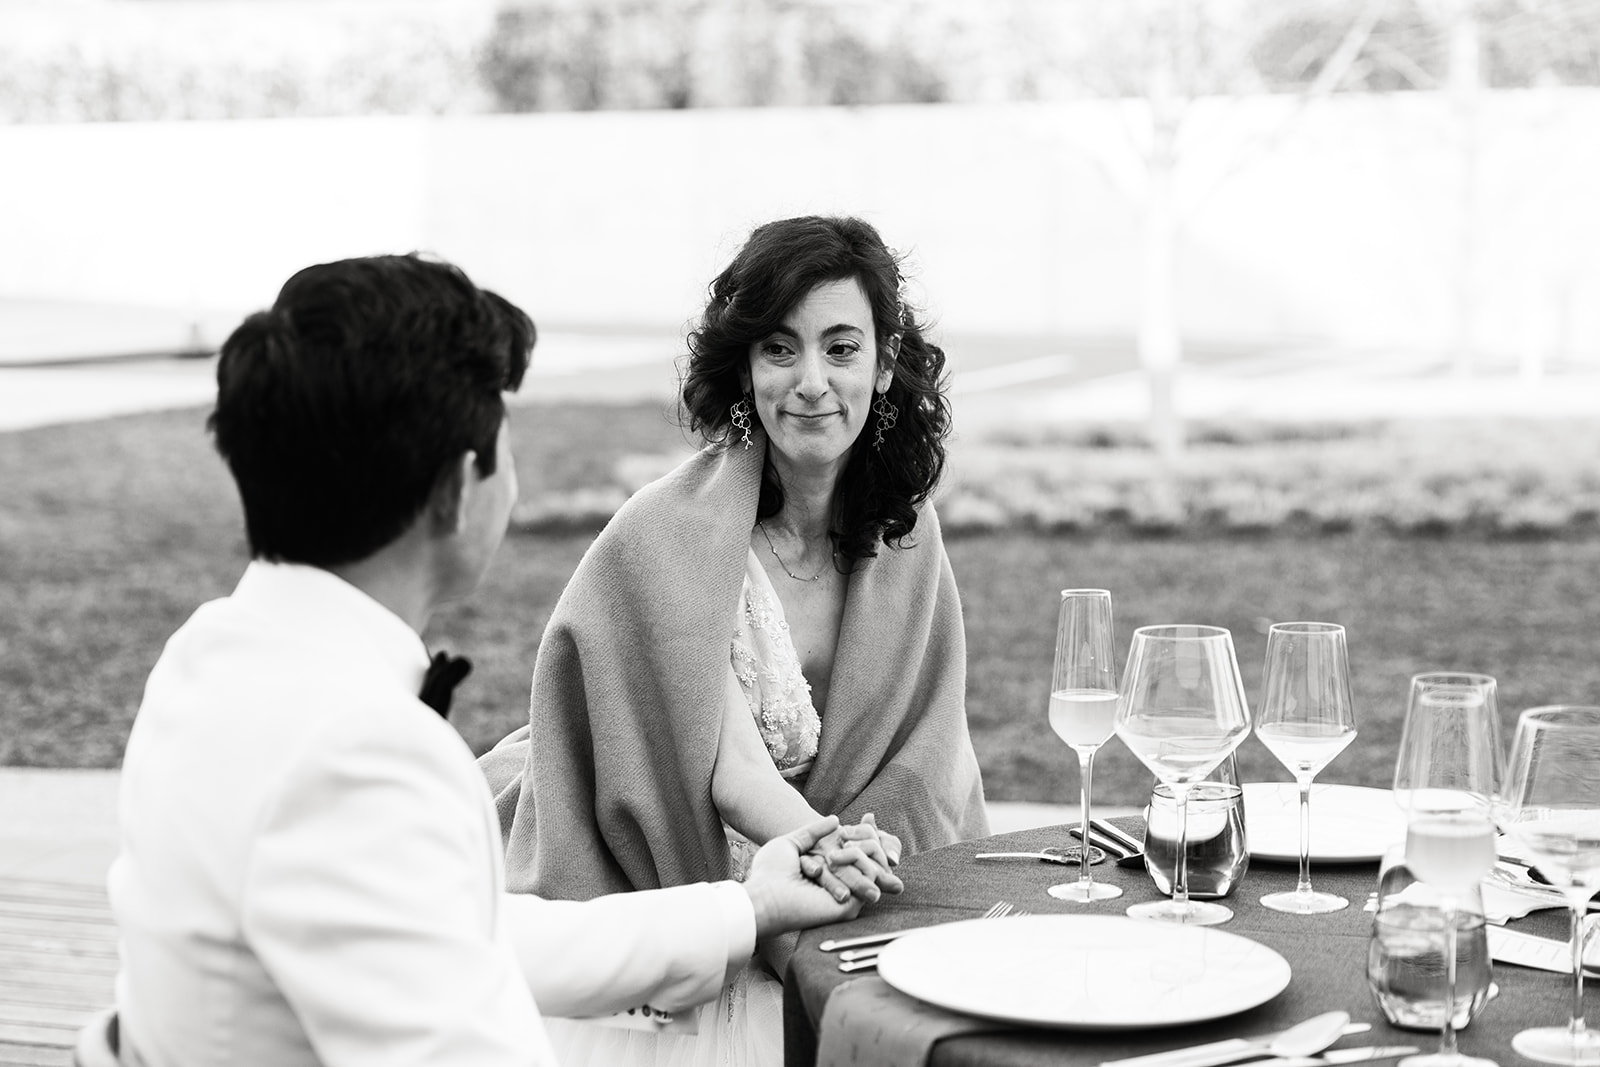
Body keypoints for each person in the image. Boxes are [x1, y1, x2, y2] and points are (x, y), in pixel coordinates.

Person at [98, 253, 899, 1067]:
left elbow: (469, 931)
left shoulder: (205, 653)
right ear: (458, 488)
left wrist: (745, 907)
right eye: (502, 436)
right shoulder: (361, 754)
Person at [480, 215, 989, 1065]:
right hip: (682, 870)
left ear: (885, 361)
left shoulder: (907, 538)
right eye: (780, 349)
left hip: (839, 858)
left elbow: (926, 749)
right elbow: (733, 771)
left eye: (841, 347)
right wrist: (836, 847)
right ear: (746, 367)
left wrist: (858, 850)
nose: (812, 382)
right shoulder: (667, 538)